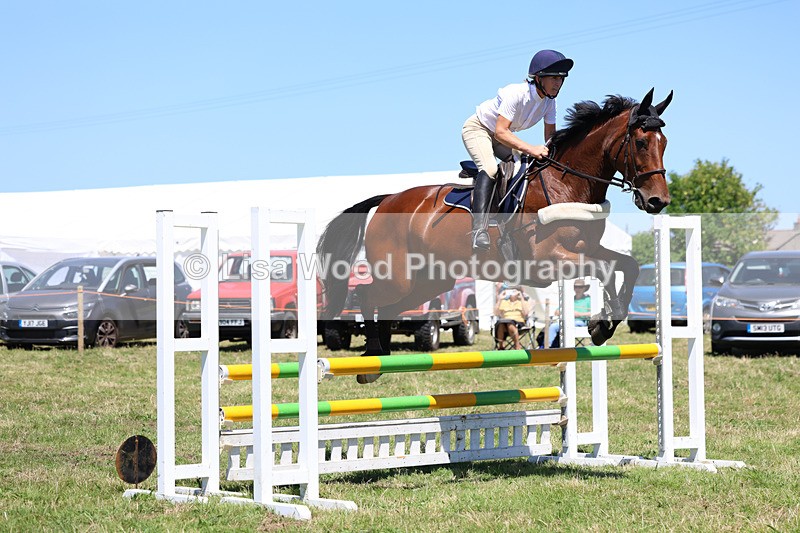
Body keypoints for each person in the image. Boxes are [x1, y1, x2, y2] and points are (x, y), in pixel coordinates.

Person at [462, 49, 574, 250]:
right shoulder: (517, 93)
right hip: (479, 129)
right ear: (539, 78)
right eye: (554, 78)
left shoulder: (550, 103)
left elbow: (550, 138)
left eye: (561, 78)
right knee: (490, 169)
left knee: (527, 166)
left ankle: (510, 223)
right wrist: (532, 149)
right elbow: (501, 132)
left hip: (502, 134)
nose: (558, 83)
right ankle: (479, 229)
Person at [542, 279, 591, 348]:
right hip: (567, 321)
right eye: (576, 287)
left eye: (580, 287)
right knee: (553, 327)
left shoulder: (588, 299)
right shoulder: (570, 299)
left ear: (584, 288)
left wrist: (579, 314)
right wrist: (567, 313)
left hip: (581, 322)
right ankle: (547, 347)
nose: (578, 289)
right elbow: (557, 312)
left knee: (565, 326)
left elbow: (593, 313)